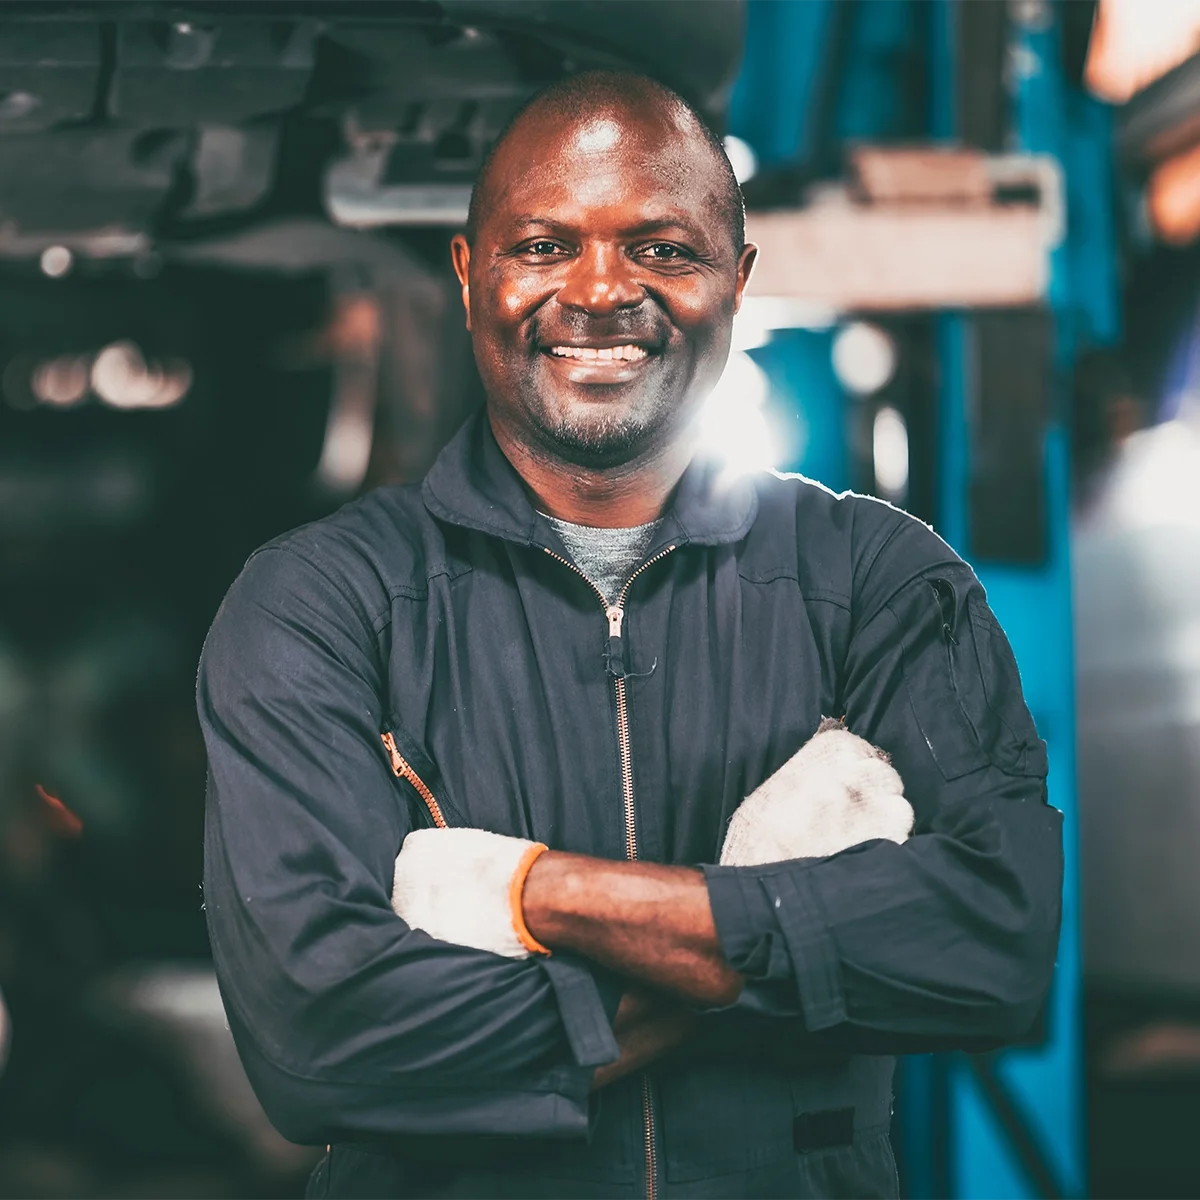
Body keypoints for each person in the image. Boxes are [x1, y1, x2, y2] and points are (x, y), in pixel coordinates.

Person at [198, 71, 1063, 1199]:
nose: (602, 291)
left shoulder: (875, 579)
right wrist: (791, 926)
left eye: (663, 249)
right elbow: (320, 1043)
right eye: (545, 245)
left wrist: (537, 893)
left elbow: (994, 946)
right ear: (471, 276)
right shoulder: (321, 602)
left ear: (739, 281)